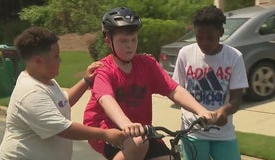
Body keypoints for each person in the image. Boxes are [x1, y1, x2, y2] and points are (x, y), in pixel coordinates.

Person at [83, 7, 217, 160]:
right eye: (123, 41)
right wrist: (126, 123)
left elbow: (174, 90)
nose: (130, 45)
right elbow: (106, 99)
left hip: (141, 131)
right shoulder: (104, 69)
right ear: (108, 41)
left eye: (134, 40)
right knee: (138, 143)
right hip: (107, 129)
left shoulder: (147, 64)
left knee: (168, 157)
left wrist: (201, 110)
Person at [0, 26, 127, 160]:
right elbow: (64, 129)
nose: (60, 60)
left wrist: (86, 81)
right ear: (38, 61)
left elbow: (62, 102)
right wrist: (106, 134)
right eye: (56, 56)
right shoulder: (30, 93)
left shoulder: (46, 82)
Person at [172, 5, 249, 160]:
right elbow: (177, 90)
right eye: (199, 37)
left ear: (220, 32)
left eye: (210, 38)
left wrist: (223, 112)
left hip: (223, 134)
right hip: (192, 132)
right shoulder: (185, 54)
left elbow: (236, 99)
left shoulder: (234, 57)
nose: (204, 42)